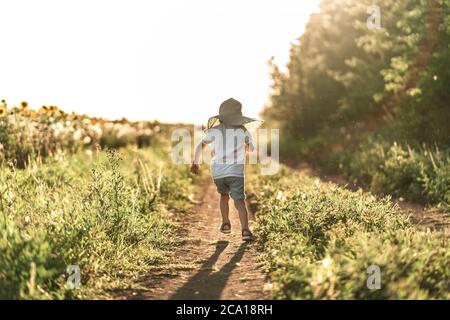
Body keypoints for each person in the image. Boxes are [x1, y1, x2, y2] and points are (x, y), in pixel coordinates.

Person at [191, 98, 261, 241]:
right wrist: (245, 146)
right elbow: (251, 148)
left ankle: (225, 223)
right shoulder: (242, 130)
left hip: (218, 172)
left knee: (224, 196)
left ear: (221, 117)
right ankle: (245, 231)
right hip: (235, 171)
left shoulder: (215, 130)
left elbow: (200, 145)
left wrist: (196, 162)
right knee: (239, 201)